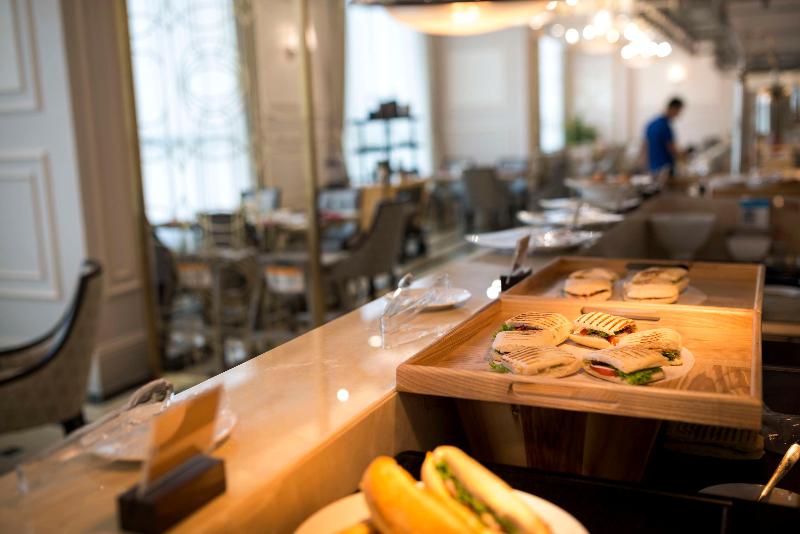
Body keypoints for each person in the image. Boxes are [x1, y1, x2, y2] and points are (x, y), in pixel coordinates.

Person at [644, 97, 684, 177]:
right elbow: (672, 149)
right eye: (678, 111)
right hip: (665, 169)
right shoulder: (665, 126)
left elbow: (645, 146)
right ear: (673, 108)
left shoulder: (651, 124)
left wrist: (645, 166)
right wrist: (684, 155)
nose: (678, 115)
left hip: (653, 168)